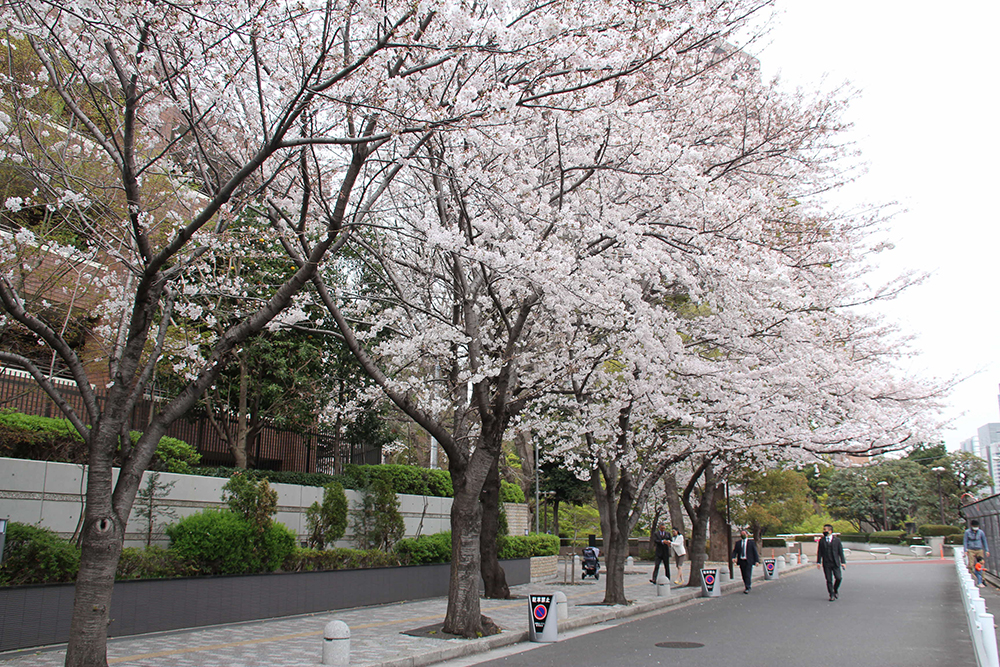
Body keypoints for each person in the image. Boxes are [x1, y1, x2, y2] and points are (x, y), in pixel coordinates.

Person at [816, 523, 846, 601]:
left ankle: (835, 589)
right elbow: (819, 552)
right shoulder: (822, 540)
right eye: (823, 530)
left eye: (825, 530)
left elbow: (840, 551)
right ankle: (831, 594)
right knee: (829, 579)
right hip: (826, 563)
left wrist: (843, 562)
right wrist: (818, 562)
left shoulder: (837, 540)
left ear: (830, 531)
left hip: (835, 562)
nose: (824, 531)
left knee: (838, 578)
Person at [731, 529, 759, 594]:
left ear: (747, 535)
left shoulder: (751, 543)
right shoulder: (738, 543)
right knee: (743, 574)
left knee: (748, 574)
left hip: (749, 560)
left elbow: (755, 552)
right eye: (742, 534)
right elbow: (735, 551)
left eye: (744, 533)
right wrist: (733, 557)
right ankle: (746, 584)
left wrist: (756, 561)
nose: (743, 535)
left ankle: (748, 587)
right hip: (741, 560)